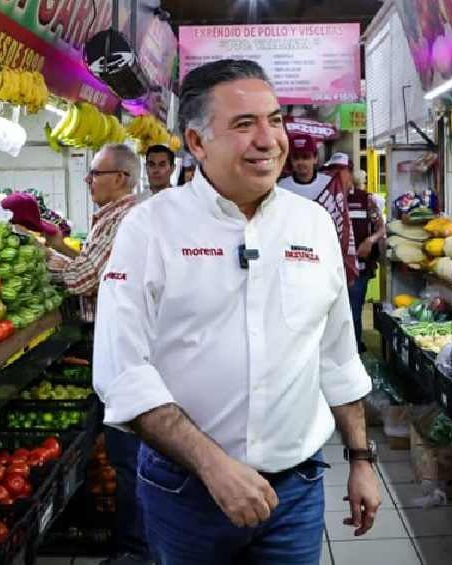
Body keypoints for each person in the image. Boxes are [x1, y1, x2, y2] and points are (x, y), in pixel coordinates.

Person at [93, 59, 380, 565]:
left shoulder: (313, 225)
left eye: (274, 120)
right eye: (244, 125)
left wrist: (360, 458)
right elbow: (121, 370)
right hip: (187, 495)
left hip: (296, 490)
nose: (268, 140)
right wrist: (213, 466)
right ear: (198, 143)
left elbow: (335, 355)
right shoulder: (151, 228)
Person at [44, 144, 150, 565]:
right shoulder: (117, 217)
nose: (89, 180)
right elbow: (93, 264)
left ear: (121, 178)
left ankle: (135, 550)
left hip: (127, 354)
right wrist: (60, 246)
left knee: (129, 457)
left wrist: (42, 256)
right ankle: (137, 544)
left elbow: (82, 279)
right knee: (129, 455)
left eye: (95, 173)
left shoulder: (125, 218)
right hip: (123, 350)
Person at [279, 134, 358, 285]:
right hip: (292, 262)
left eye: (306, 157)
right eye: (296, 158)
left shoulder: (330, 186)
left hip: (324, 260)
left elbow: (343, 226)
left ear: (315, 159)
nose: (301, 162)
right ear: (291, 160)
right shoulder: (281, 187)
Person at [346, 169, 385, 352]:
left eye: (343, 172)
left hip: (360, 268)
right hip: (333, 269)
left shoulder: (365, 199)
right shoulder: (326, 200)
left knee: (353, 311)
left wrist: (370, 241)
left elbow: (381, 228)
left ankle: (353, 349)